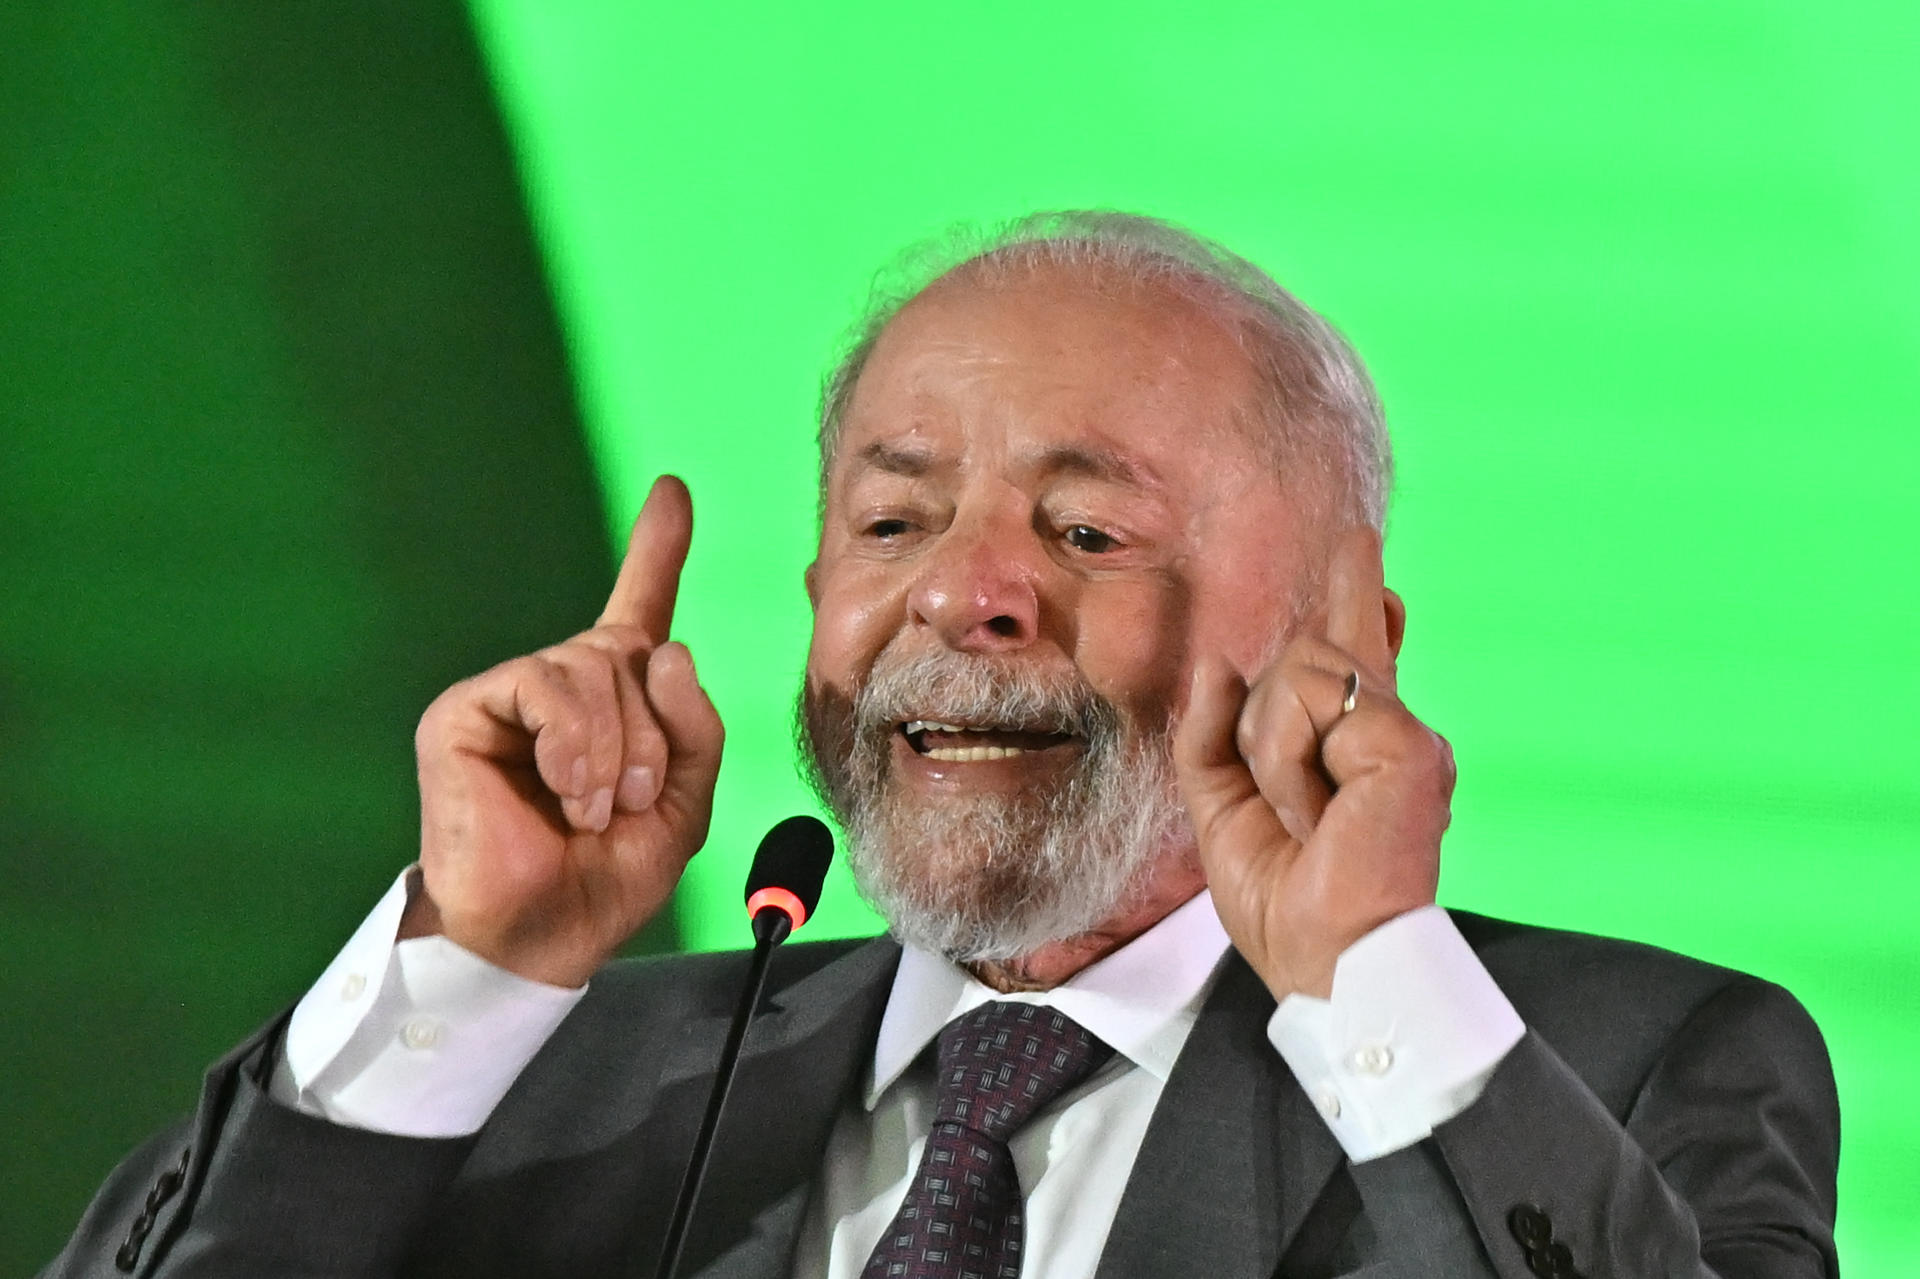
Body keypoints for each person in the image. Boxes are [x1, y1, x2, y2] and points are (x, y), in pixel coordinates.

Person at [45, 212, 1838, 1278]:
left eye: (1086, 532)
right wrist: (468, 975)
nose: (965, 598)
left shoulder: (1636, 1069)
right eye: (894, 526)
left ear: (1338, 642)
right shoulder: (552, 1079)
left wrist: (1375, 980)